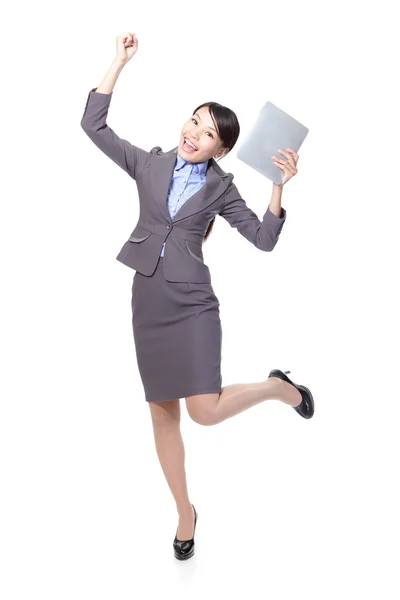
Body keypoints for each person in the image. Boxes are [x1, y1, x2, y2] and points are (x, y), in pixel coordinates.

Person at [80, 32, 315, 561]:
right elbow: (92, 125)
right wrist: (117, 62)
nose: (194, 133)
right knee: (163, 414)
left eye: (208, 133)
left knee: (204, 412)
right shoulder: (149, 163)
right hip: (148, 302)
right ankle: (185, 512)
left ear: (222, 149)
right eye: (194, 119)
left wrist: (279, 187)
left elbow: (264, 240)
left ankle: (278, 390)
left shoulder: (222, 188)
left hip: (193, 306)